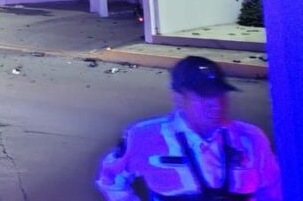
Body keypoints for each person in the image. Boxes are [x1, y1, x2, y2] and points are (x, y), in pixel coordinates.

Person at [97, 56, 282, 200]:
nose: (215, 103)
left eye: (219, 93)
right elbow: (111, 179)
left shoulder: (250, 138)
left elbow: (273, 187)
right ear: (178, 98)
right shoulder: (144, 136)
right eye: (204, 95)